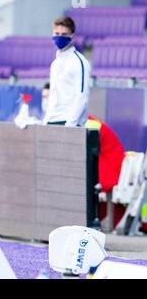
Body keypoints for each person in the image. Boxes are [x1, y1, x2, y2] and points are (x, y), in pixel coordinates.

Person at [42, 83, 126, 229]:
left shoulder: (85, 122)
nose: (46, 102)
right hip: (94, 163)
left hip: (110, 168)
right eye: (43, 97)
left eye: (49, 97)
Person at [42, 17, 90, 127]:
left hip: (69, 122)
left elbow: (82, 96)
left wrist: (71, 124)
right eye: (57, 33)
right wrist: (46, 120)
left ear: (71, 36)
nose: (59, 37)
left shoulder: (79, 62)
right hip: (52, 120)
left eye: (64, 34)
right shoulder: (55, 64)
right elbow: (53, 94)